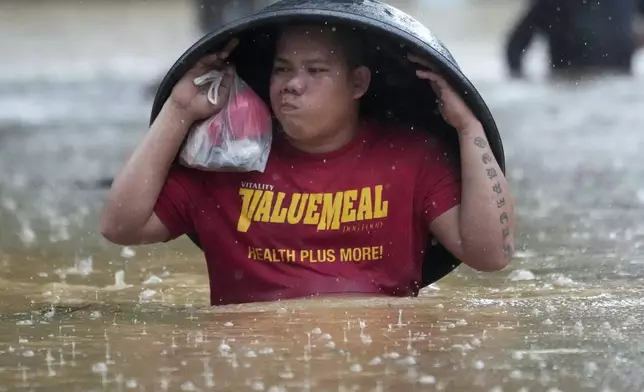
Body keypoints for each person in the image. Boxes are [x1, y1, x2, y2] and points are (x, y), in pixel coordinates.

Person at [100, 24, 516, 306]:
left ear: (358, 83)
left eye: (314, 70)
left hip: (375, 363)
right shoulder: (226, 162)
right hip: (251, 365)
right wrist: (178, 109)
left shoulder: (411, 157)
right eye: (283, 69)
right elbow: (120, 226)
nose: (292, 84)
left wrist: (468, 125)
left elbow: (492, 254)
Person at [505, 0, 644, 78]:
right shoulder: (549, 3)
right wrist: (523, 86)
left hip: (620, 87)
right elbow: (514, 48)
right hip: (568, 87)